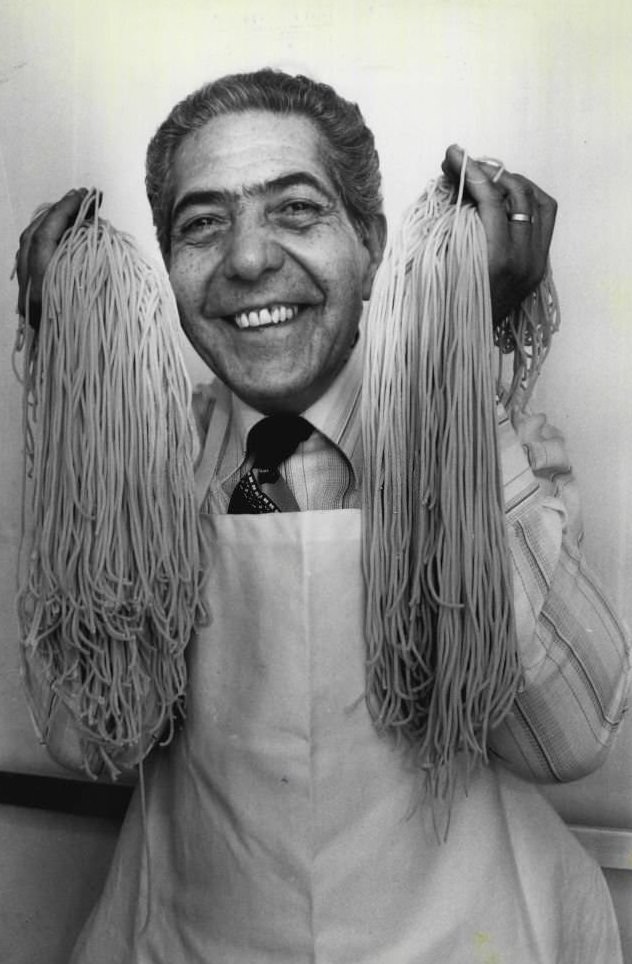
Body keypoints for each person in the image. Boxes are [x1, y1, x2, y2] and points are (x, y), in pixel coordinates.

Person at [15, 69, 630, 963]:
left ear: (372, 244)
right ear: (168, 265)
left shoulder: (498, 449)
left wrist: (463, 368)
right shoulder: (143, 466)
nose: (249, 259)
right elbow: (91, 740)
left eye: (296, 210)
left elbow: (568, 742)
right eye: (202, 224)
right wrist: (79, 377)